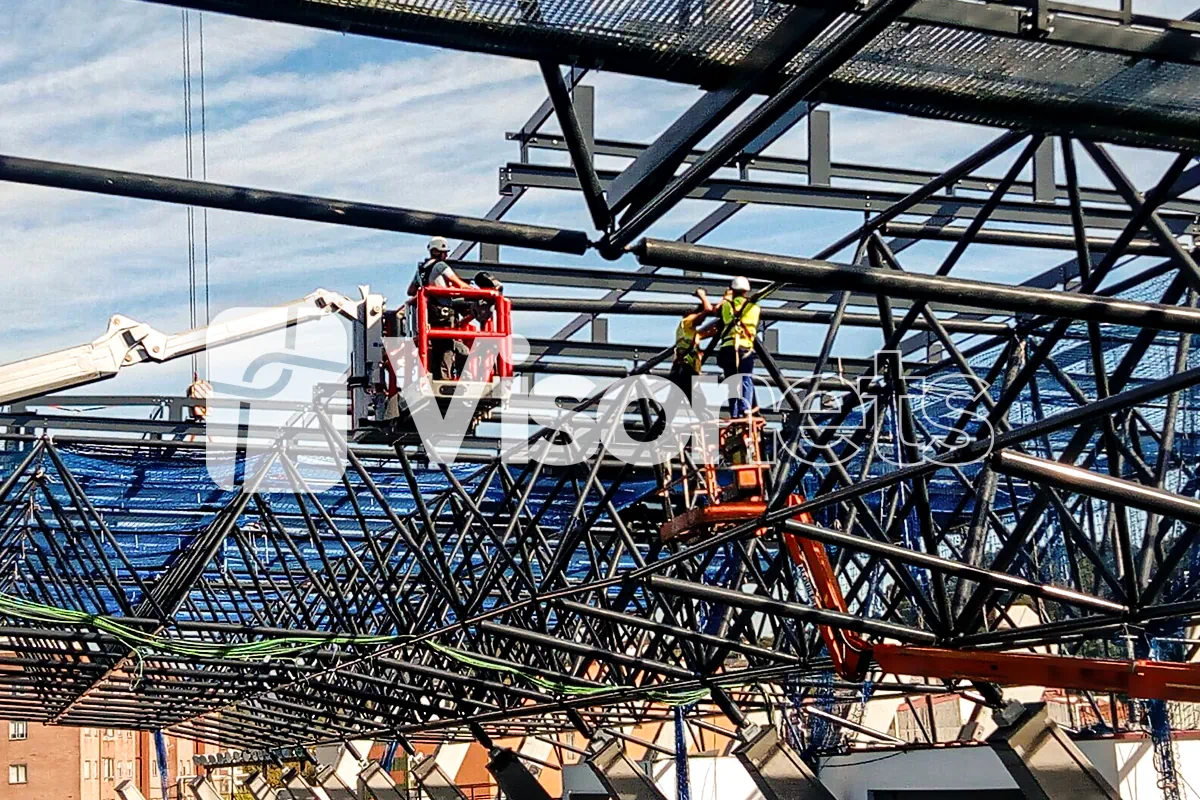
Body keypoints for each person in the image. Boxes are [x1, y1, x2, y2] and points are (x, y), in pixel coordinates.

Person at [409, 236, 471, 381]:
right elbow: (459, 284)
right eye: (444, 252)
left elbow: (411, 291)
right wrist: (474, 291)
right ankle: (445, 379)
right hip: (442, 312)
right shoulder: (440, 266)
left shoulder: (421, 270)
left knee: (437, 346)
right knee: (447, 347)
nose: (446, 255)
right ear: (438, 252)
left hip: (429, 313)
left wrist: (432, 288)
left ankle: (438, 376)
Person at [698, 276, 760, 418]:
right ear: (746, 291)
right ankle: (745, 408)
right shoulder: (754, 308)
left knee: (732, 382)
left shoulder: (726, 305)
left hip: (728, 348)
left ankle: (734, 412)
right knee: (745, 378)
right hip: (744, 348)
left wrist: (725, 298)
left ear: (732, 290)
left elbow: (716, 311)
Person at [668, 288, 714, 398]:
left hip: (681, 370)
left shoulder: (687, 331)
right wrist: (702, 295)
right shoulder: (687, 322)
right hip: (684, 370)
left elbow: (709, 332)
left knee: (673, 405)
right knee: (697, 403)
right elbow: (708, 309)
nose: (701, 318)